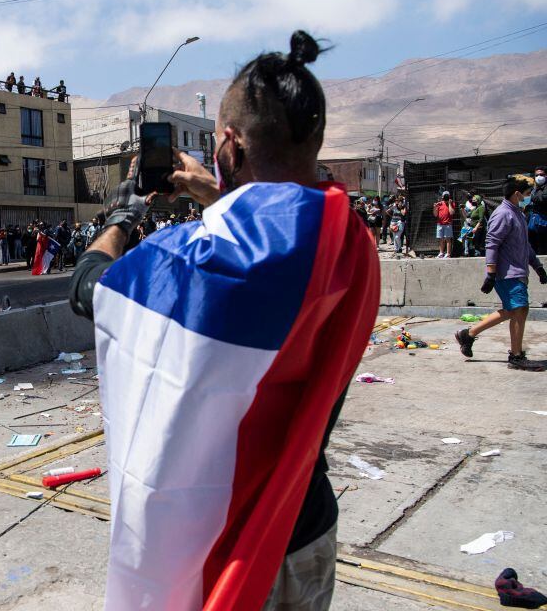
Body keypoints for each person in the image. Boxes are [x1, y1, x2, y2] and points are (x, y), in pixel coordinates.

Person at [69, 30, 378, 610]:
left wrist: (125, 210)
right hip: (308, 525)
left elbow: (92, 289)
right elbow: (275, 229)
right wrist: (216, 190)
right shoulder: (346, 236)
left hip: (233, 538)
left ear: (230, 144)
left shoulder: (203, 258)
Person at [455, 174, 547, 371]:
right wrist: (490, 273)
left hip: (518, 271)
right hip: (507, 273)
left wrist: (537, 267)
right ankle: (516, 356)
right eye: (528, 193)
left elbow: (524, 245)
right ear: (516, 194)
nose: (529, 196)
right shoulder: (503, 214)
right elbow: (492, 243)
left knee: (515, 309)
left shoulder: (519, 214)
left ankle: (468, 334)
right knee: (519, 309)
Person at [529, 166, 547, 255]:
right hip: (535, 220)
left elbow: (543, 198)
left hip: (544, 220)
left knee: (543, 245)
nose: (539, 177)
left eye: (541, 174)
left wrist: (531, 197)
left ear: (546, 175)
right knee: (534, 244)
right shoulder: (535, 188)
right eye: (536, 175)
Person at [435, 191, 456, 258]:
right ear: (442, 197)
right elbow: (435, 214)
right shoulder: (439, 204)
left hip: (448, 224)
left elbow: (452, 213)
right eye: (445, 196)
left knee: (448, 239)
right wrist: (435, 207)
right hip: (440, 224)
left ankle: (448, 253)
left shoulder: (452, 203)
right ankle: (441, 253)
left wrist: (449, 203)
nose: (446, 198)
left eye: (447, 196)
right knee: (441, 239)